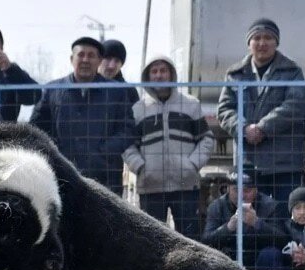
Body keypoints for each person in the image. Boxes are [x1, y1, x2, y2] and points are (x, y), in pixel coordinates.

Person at [218, 19, 305, 206]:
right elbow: (225, 109)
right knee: (253, 221)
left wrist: (263, 128)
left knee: (286, 217)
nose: (262, 43)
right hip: (248, 164)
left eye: (268, 37)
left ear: (277, 42)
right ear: (249, 43)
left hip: (285, 163)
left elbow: (295, 105)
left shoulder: (292, 71)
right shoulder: (235, 74)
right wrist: (243, 129)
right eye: (256, 38)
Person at [123, 55, 214, 239]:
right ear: (147, 76)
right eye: (154, 71)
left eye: (163, 70)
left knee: (191, 240)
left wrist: (192, 165)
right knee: (153, 241)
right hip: (150, 186)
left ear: (171, 74)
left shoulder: (190, 104)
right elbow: (127, 144)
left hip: (186, 185)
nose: (159, 75)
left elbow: (206, 139)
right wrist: (141, 167)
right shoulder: (137, 109)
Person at [29, 36, 135, 194]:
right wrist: (56, 152)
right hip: (62, 174)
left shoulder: (116, 91)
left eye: (91, 55)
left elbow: (128, 130)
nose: (85, 60)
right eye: (81, 54)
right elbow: (36, 128)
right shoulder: (52, 90)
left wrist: (103, 151)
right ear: (72, 59)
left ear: (99, 60)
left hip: (105, 176)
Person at [201, 172, 285, 269]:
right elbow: (206, 242)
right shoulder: (217, 206)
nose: (241, 196)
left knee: (271, 254)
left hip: (258, 255)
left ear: (256, 190)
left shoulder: (270, 205)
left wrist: (257, 223)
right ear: (228, 189)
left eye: (246, 191)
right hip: (229, 256)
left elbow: (282, 240)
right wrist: (228, 228)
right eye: (236, 190)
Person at [256, 186, 305, 270]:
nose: (302, 212)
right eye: (297, 208)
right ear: (291, 210)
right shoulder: (283, 227)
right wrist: (292, 256)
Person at [99, 39, 139, 104]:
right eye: (108, 59)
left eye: (117, 61)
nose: (111, 66)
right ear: (98, 60)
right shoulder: (86, 85)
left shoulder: (129, 91)